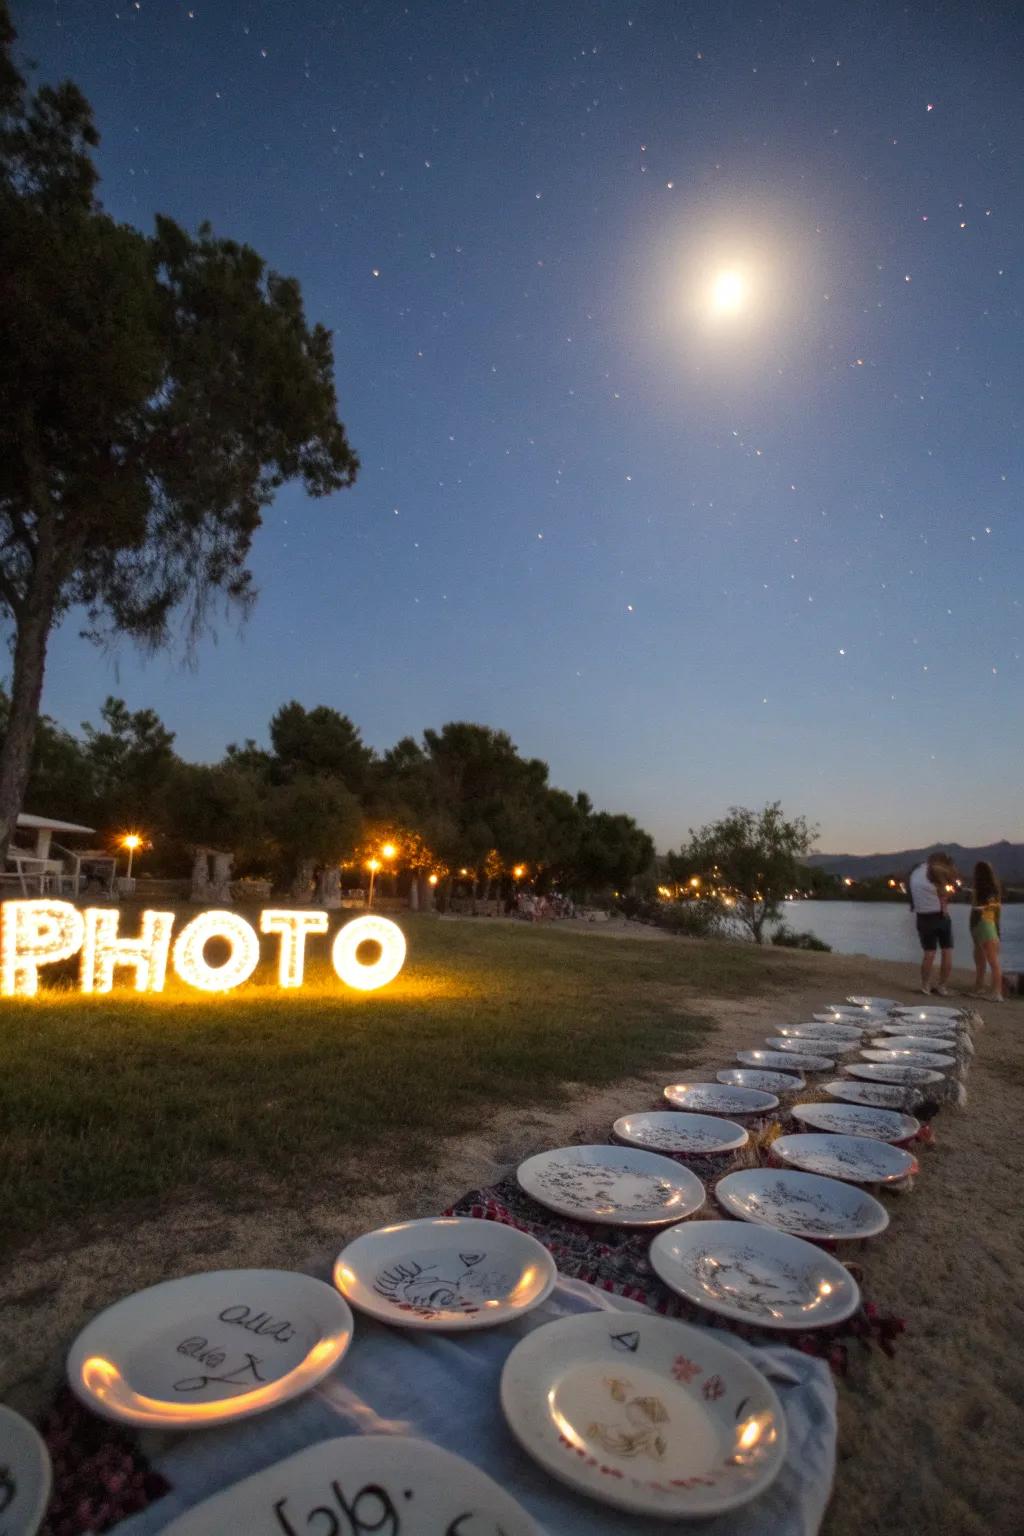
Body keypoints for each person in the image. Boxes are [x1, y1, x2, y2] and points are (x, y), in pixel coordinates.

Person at [908, 852, 956, 995]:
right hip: (941, 915)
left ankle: (925, 986)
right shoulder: (936, 872)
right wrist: (950, 893)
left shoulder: (915, 873)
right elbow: (944, 894)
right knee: (947, 951)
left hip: (923, 917)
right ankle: (942, 986)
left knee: (929, 953)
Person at [968, 860, 1003, 1002]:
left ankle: (997, 992)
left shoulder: (988, 891)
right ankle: (979, 987)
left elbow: (992, 907)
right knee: (980, 958)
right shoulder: (985, 890)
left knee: (992, 960)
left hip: (985, 924)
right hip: (982, 925)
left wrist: (979, 909)